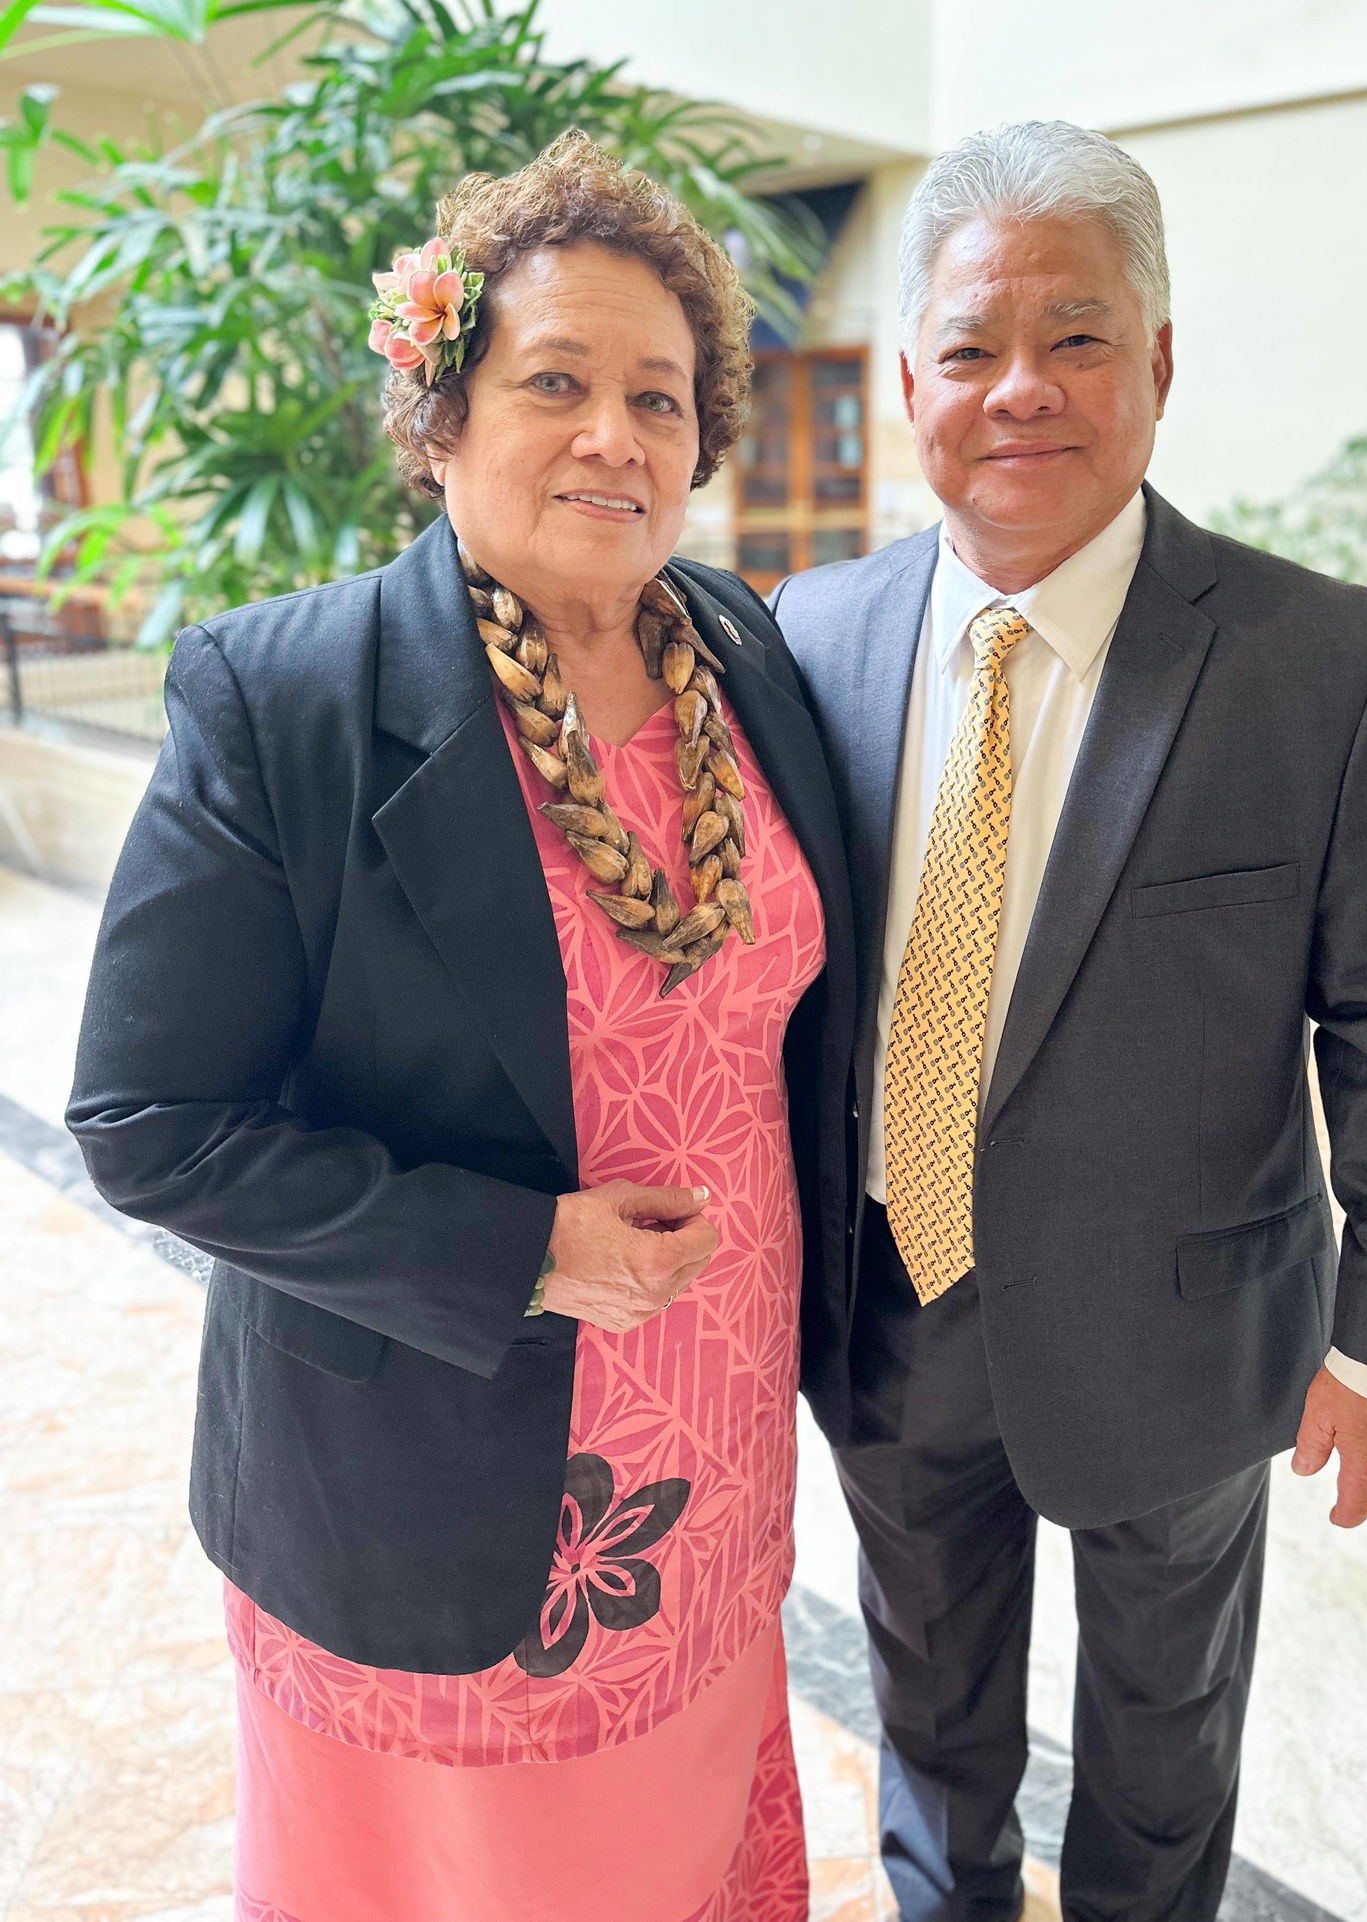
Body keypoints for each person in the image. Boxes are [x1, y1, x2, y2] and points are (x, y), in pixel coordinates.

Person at [67, 132, 853, 1922]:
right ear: (440, 415)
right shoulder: (287, 699)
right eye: (554, 380)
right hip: (435, 1467)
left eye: (660, 397)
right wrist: (520, 1251)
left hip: (715, 1443)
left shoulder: (736, 648)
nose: (613, 435)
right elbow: (145, 1116)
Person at [774, 119, 1367, 1922]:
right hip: (889, 1311)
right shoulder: (813, 632)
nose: (1022, 388)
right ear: (911, 378)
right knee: (931, 1718)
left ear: (1159, 362)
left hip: (1181, 1336)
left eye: (1077, 338)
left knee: (1165, 1749)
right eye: (971, 347)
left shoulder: (1325, 665)